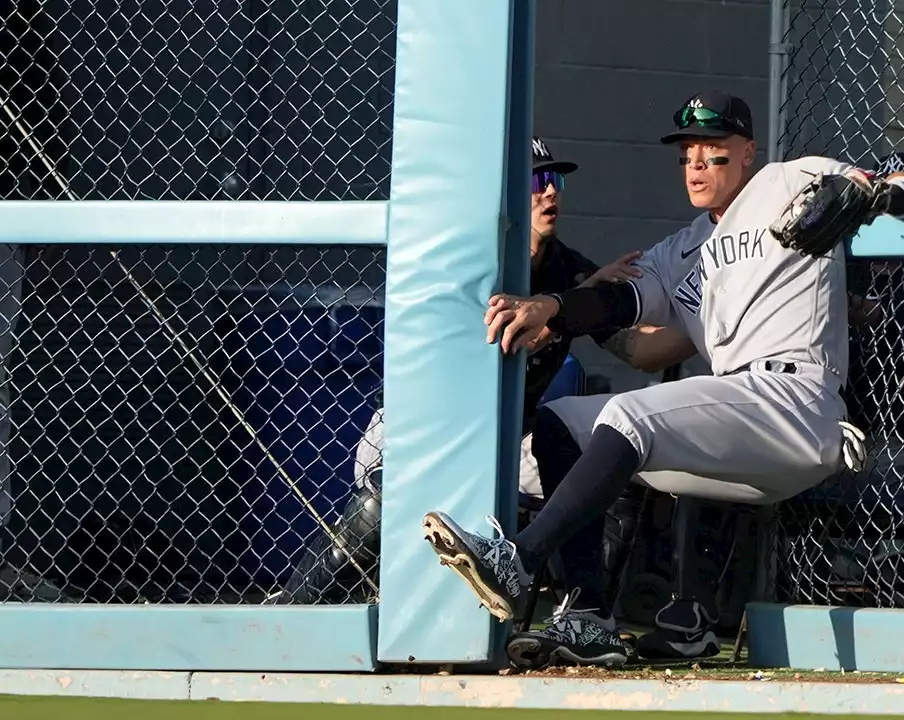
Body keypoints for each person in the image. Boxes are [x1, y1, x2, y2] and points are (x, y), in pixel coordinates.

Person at [422, 90, 904, 668]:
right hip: (737, 413)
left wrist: (879, 193)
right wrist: (554, 306)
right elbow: (622, 307)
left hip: (798, 399)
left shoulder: (794, 180)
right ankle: (589, 616)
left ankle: (517, 560)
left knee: (628, 414)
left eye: (713, 150)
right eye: (687, 152)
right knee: (565, 421)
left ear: (747, 151)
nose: (696, 163)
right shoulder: (684, 248)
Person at [267, 137, 692, 604]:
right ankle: (297, 606)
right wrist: (568, 306)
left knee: (616, 476)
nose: (551, 193)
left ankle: (585, 617)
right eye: (537, 181)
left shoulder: (570, 272)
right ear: (506, 193)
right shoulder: (469, 262)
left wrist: (701, 323)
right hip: (423, 431)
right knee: (390, 494)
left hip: (512, 445)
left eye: (557, 181)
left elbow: (636, 349)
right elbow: (492, 349)